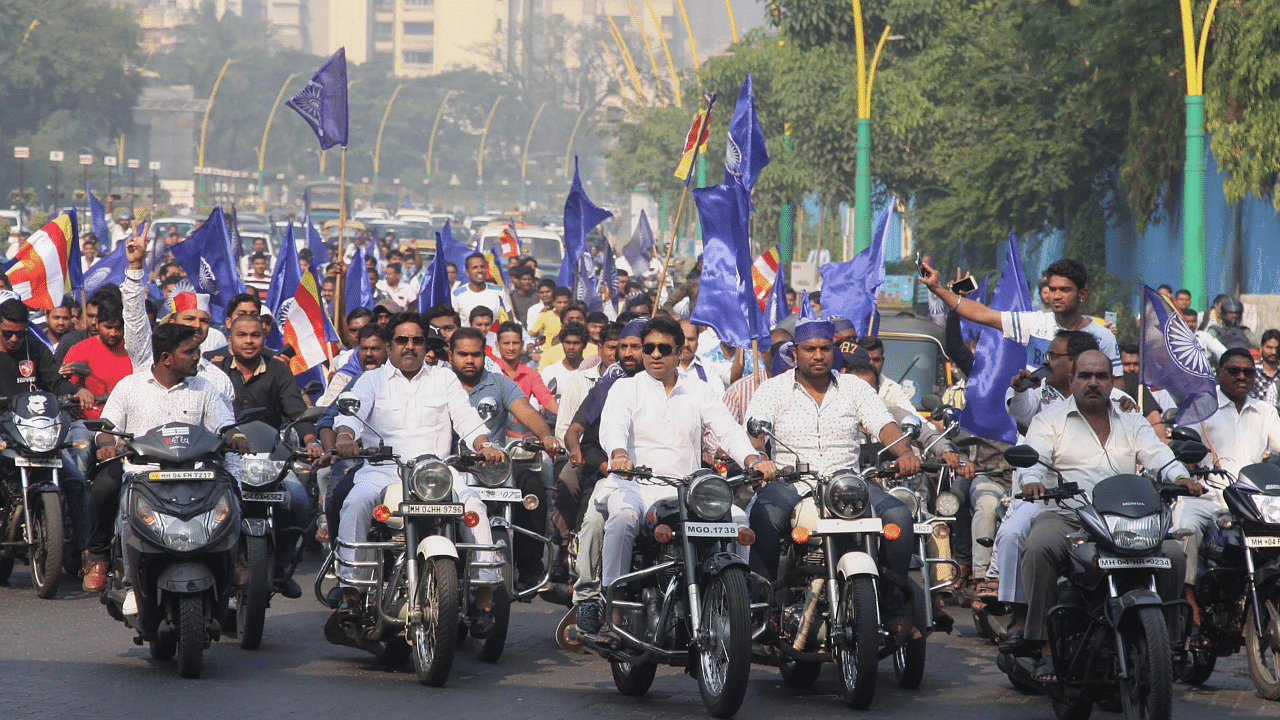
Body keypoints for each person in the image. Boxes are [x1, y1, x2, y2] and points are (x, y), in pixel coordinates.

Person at [574, 317, 774, 637]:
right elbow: (613, 427)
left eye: (663, 349)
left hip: (689, 488)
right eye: (649, 348)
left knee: (737, 521)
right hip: (634, 484)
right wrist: (618, 454)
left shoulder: (699, 390)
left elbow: (727, 430)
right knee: (622, 519)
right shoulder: (626, 388)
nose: (654, 355)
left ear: (679, 351)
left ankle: (736, 603)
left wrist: (753, 458)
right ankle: (614, 608)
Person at [1013, 350, 1201, 679]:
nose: (1093, 383)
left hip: (1127, 519)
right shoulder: (1050, 419)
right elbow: (1035, 456)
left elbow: (1157, 453)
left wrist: (1180, 477)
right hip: (1071, 515)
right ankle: (1044, 645)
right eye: (1085, 376)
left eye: (1101, 376)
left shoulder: (1130, 418)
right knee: (1039, 546)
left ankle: (1167, 644)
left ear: (1112, 383)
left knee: (1172, 553)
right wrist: (1032, 483)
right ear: (1071, 381)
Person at [744, 319, 923, 633]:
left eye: (824, 348)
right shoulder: (773, 389)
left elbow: (883, 424)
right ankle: (763, 611)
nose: (817, 355)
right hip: (791, 484)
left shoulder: (853, 387)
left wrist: (904, 452)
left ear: (834, 352)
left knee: (900, 516)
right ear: (795, 352)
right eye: (809, 349)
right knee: (764, 515)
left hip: (848, 485)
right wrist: (758, 458)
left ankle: (893, 611)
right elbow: (756, 430)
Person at [332, 312, 506, 615]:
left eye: (416, 340)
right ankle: (352, 591)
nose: (409, 346)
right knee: (355, 503)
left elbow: (466, 419)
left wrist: (485, 445)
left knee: (475, 506)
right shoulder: (371, 381)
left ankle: (484, 594)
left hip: (437, 471)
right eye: (402, 339)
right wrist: (346, 437)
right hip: (383, 469)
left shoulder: (444, 377)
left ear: (426, 345)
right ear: (389, 345)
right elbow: (350, 416)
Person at [80, 323, 245, 595]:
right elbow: (106, 428)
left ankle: (237, 555)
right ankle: (106, 563)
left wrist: (234, 436)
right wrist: (107, 445)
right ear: (166, 358)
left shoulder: (204, 388)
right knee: (105, 487)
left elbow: (224, 424)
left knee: (232, 489)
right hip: (142, 476)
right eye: (189, 352)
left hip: (196, 476)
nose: (196, 358)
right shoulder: (130, 386)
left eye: (198, 351)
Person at [450, 327, 562, 589]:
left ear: (485, 354)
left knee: (532, 486)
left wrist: (546, 435)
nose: (469, 360)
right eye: (463, 354)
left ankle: (530, 565)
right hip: (450, 468)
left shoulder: (500, 382)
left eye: (475, 355)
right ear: (451, 354)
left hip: (494, 466)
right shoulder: (441, 383)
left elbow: (529, 413)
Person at [1173, 347, 1280, 595]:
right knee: (1184, 529)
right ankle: (1188, 601)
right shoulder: (1199, 408)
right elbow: (1179, 451)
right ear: (1219, 373)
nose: (1241, 377)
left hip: (1253, 503)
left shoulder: (1266, 412)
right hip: (1207, 499)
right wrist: (1187, 470)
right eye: (1234, 371)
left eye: (1248, 372)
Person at [920, 257, 1121, 377]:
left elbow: (1117, 389)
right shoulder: (1033, 323)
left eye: (1065, 290)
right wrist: (937, 289)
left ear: (1082, 294)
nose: (1057, 296)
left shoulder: (1103, 337)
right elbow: (983, 314)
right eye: (1053, 289)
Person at [121, 233, 236, 409]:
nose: (197, 326)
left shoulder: (218, 380)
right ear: (172, 321)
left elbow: (225, 428)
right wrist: (136, 267)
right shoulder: (147, 356)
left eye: (203, 320)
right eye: (189, 319)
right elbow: (134, 318)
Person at [494, 321, 558, 415]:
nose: (511, 348)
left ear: (522, 345)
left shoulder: (531, 374)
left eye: (515, 343)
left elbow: (547, 400)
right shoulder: (489, 371)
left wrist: (567, 419)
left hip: (522, 426)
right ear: (497, 345)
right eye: (506, 343)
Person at [856, 335, 918, 414]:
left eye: (876, 360)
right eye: (867, 359)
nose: (871, 364)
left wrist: (933, 426)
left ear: (883, 361)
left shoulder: (893, 390)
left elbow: (911, 414)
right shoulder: (845, 385)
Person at [451, 253, 506, 328]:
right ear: (467, 272)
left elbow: (509, 318)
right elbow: (453, 322)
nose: (479, 270)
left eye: (482, 267)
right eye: (475, 267)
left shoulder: (499, 291)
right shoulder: (457, 294)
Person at [540, 322, 589, 402]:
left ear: (584, 345)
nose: (571, 347)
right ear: (562, 343)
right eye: (567, 342)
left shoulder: (592, 374)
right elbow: (539, 404)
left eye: (576, 343)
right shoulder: (549, 372)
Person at [1254, 329, 1280, 407]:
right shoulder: (1252, 372)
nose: (1273, 352)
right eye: (1269, 347)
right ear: (1261, 348)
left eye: (1277, 348)